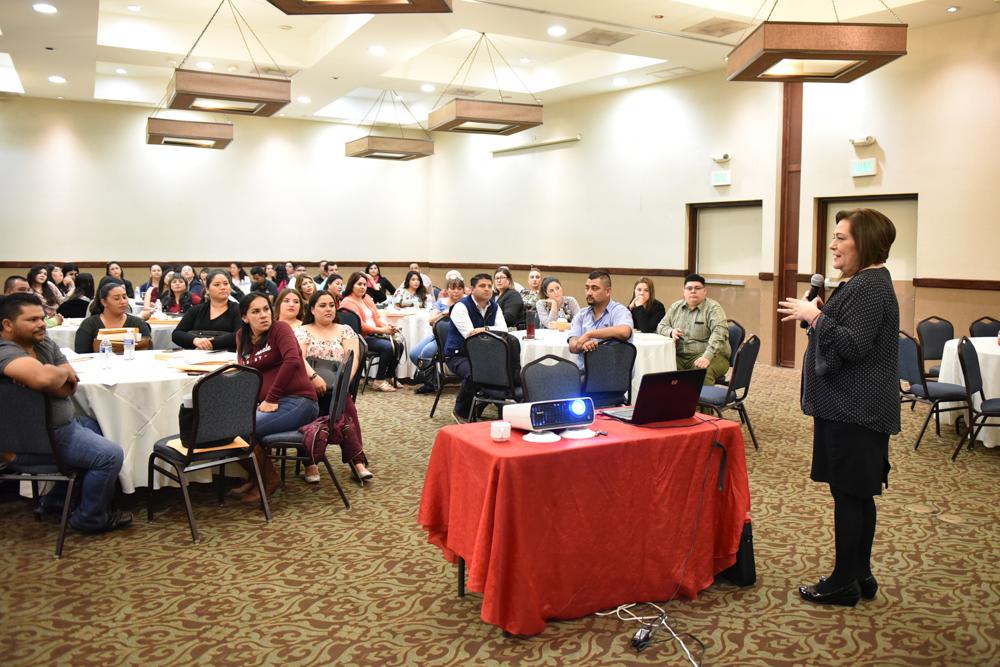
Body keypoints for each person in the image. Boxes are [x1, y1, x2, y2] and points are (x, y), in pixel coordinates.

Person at [777, 208, 900, 607]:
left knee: (850, 495)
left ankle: (843, 580)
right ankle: (859, 572)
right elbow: (845, 335)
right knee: (856, 495)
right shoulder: (862, 283)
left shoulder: (870, 286)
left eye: (841, 238)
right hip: (849, 408)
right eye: (834, 237)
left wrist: (816, 316)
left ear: (863, 242)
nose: (833, 245)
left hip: (855, 410)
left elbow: (853, 345)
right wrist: (817, 316)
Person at [0, 292, 132, 533]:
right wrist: (51, 374)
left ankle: (56, 500)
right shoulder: (5, 351)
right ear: (7, 325)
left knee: (96, 425)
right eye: (31, 320)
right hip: (34, 438)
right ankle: (90, 518)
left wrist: (53, 377)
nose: (41, 324)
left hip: (60, 427)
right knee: (109, 455)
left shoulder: (43, 343)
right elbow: (44, 378)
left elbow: (69, 388)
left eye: (42, 317)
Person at [230, 293, 319, 504]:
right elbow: (245, 373)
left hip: (299, 401)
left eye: (266, 309)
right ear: (244, 317)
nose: (263, 315)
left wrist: (271, 398)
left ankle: (268, 480)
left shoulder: (280, 329)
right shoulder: (241, 336)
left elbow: (292, 362)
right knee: (227, 427)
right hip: (267, 405)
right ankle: (255, 479)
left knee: (242, 431)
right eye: (256, 311)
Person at [295, 291, 373, 482]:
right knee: (306, 409)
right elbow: (299, 358)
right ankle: (310, 462)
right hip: (309, 386)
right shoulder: (303, 331)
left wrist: (342, 382)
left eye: (331, 305)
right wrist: (314, 378)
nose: (328, 309)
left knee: (345, 406)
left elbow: (351, 360)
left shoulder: (345, 329)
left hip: (337, 385)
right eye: (322, 305)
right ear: (312, 309)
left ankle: (358, 461)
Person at [443, 273, 508, 422]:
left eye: (489, 286)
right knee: (475, 373)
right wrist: (491, 329)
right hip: (458, 355)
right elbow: (471, 336)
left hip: (485, 355)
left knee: (508, 371)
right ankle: (461, 411)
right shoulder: (461, 307)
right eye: (482, 286)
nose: (487, 289)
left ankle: (483, 403)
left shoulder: (494, 306)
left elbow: (504, 329)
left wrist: (485, 329)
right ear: (472, 289)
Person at [655, 274, 731, 385]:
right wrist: (671, 332)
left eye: (697, 288)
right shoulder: (676, 307)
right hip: (680, 356)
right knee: (661, 367)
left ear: (705, 291)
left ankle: (702, 402)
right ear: (684, 292)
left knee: (701, 371)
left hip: (712, 355)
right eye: (689, 288)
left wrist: (707, 357)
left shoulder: (713, 308)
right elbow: (661, 326)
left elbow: (720, 333)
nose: (693, 291)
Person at [340, 272, 401, 392]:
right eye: (359, 284)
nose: (363, 287)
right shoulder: (347, 302)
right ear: (352, 285)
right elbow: (361, 326)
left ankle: (388, 377)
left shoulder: (366, 298)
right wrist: (382, 330)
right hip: (361, 338)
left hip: (374, 335)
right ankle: (378, 381)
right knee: (388, 347)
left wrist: (387, 326)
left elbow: (377, 318)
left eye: (364, 284)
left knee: (399, 345)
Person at [568, 271, 634, 370]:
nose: (589, 293)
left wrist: (590, 334)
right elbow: (573, 346)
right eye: (587, 288)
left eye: (595, 288)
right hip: (584, 376)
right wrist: (584, 345)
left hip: (611, 375)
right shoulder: (581, 315)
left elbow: (624, 331)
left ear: (608, 291)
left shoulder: (619, 311)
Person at [410, 277, 464, 394]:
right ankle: (434, 380)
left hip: (454, 339)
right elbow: (431, 320)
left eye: (459, 289)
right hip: (437, 335)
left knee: (427, 353)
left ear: (463, 290)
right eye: (452, 288)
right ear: (447, 290)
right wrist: (444, 314)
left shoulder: (466, 302)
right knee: (414, 354)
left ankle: (429, 384)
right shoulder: (441, 302)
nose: (456, 291)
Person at [74, 282, 151, 354]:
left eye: (124, 297)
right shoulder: (89, 324)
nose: (123, 301)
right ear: (104, 302)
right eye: (117, 299)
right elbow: (82, 354)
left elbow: (148, 351)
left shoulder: (138, 323)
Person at [172, 269, 240, 351]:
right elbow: (177, 334)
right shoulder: (196, 310)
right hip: (195, 357)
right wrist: (195, 340)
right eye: (217, 285)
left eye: (226, 284)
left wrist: (209, 344)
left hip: (227, 357)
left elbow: (239, 335)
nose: (223, 287)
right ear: (207, 289)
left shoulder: (238, 309)